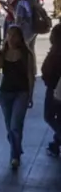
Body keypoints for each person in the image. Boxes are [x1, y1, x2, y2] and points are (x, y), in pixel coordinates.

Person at [0, 26, 36, 169]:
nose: (11, 38)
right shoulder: (1, 54)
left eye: (14, 35)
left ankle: (14, 156)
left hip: (21, 92)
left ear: (20, 38)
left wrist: (30, 94)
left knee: (15, 125)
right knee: (9, 126)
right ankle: (17, 147)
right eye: (9, 35)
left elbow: (31, 75)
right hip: (5, 93)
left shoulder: (26, 54)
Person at [41, 24, 61, 157]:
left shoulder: (56, 53)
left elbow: (47, 71)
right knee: (59, 117)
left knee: (48, 116)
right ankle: (55, 144)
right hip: (56, 87)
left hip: (55, 89)